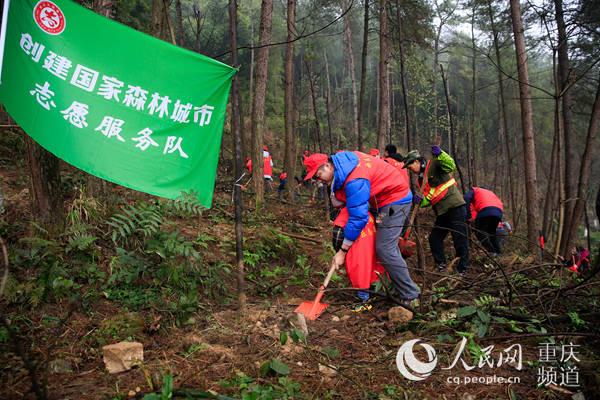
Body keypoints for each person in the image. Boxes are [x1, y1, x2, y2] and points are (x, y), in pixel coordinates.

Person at [303, 151, 420, 307]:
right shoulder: (344, 162)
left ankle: (411, 295)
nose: (318, 180)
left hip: (395, 199)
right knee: (383, 245)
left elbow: (358, 217)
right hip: (380, 199)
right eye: (314, 178)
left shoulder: (355, 180)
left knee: (385, 248)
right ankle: (388, 284)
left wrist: (342, 252)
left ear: (327, 165)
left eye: (317, 175)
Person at [403, 146, 469, 275]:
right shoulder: (420, 180)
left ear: (416, 162)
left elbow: (450, 166)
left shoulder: (434, 164)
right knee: (434, 238)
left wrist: (441, 154)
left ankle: (463, 269)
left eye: (410, 167)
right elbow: (429, 197)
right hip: (442, 211)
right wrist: (420, 201)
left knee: (459, 238)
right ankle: (441, 265)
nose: (411, 171)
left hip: (455, 206)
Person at [332, 207, 386, 312]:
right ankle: (375, 293)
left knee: (359, 272)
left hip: (357, 250)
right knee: (370, 270)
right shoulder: (367, 210)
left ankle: (363, 301)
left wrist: (339, 251)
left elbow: (338, 234)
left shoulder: (346, 212)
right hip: (371, 246)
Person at [464, 187, 504, 256]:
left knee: (479, 232)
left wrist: (468, 216)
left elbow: (466, 198)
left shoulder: (474, 190)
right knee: (491, 233)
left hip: (485, 209)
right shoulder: (490, 192)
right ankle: (498, 253)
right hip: (498, 212)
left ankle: (491, 252)